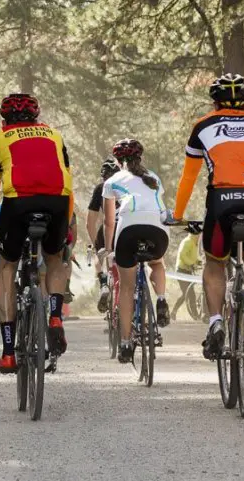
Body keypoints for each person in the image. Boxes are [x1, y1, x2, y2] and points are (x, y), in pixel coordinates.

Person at [168, 73, 244, 367]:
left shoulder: (203, 126)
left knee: (215, 261)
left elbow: (188, 177)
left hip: (222, 199)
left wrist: (178, 215)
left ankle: (216, 322)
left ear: (214, 102)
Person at [0, 93, 74, 373]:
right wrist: (66, 223)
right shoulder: (55, 135)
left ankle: (9, 353)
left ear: (4, 119)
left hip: (18, 202)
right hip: (57, 201)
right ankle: (55, 316)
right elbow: (69, 180)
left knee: (7, 267)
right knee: (54, 259)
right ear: (36, 117)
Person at [102, 138, 171, 363]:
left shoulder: (112, 181)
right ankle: (161, 299)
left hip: (128, 229)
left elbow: (109, 221)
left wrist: (109, 248)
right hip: (158, 229)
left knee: (127, 288)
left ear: (117, 160)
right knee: (157, 263)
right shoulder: (153, 178)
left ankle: (125, 342)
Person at [86, 159, 120, 312]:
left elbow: (90, 222)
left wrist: (95, 245)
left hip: (108, 228)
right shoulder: (127, 185)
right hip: (127, 227)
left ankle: (104, 282)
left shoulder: (101, 188)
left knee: (97, 252)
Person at [170, 221, 205, 320]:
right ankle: (176, 312)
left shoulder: (194, 243)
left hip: (188, 270)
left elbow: (192, 256)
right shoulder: (188, 241)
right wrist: (192, 263)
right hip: (182, 270)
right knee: (187, 294)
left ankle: (195, 316)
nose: (200, 236)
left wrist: (198, 262)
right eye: (198, 234)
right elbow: (183, 255)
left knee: (190, 294)